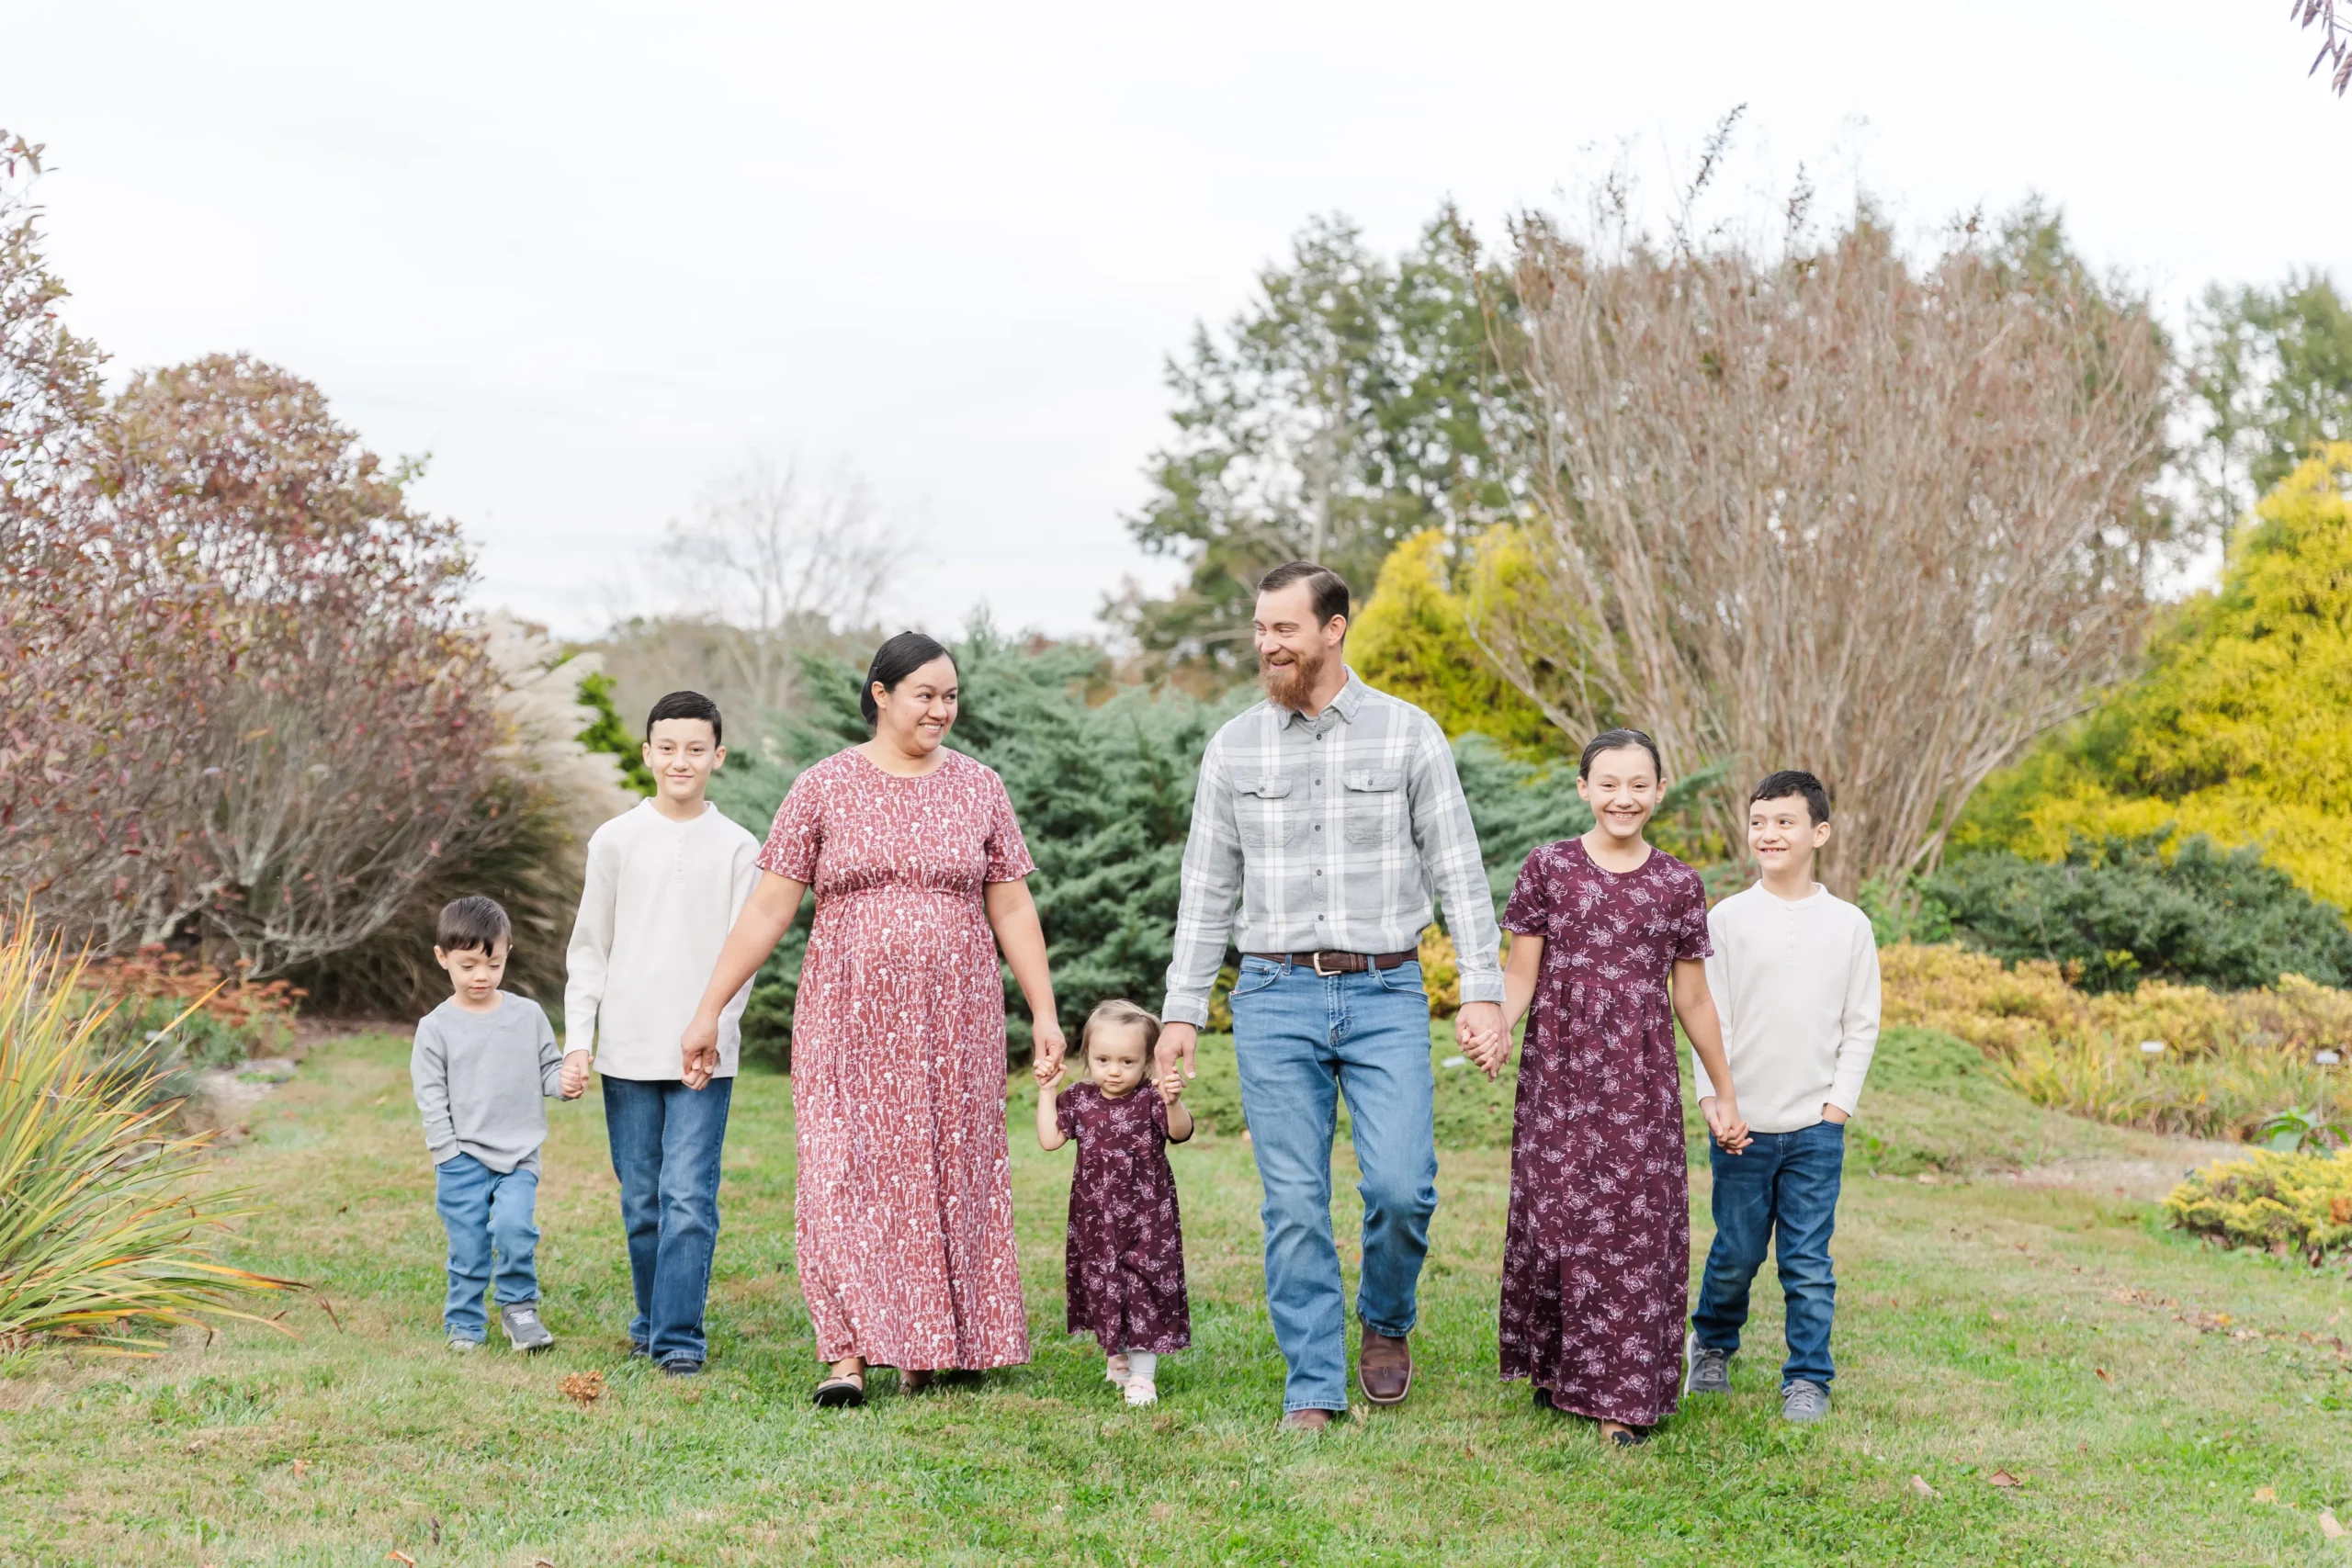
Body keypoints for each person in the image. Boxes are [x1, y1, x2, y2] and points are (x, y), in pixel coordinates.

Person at [1158, 560, 1508, 1430]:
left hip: (1386, 988)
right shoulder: (1234, 745)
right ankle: (1312, 1381)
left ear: (1334, 627)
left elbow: (1458, 869)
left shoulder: (1408, 734)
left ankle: (1386, 1321)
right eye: (1260, 628)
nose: (1267, 643)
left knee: (1401, 1186)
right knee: (1293, 1201)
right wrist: (1181, 1009)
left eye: (1284, 628)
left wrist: (1483, 989)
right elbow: (1207, 889)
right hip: (1273, 994)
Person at [681, 632, 1066, 1408]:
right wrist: (708, 1006)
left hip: (958, 1018)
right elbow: (769, 907)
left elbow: (1012, 903)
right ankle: (848, 1351)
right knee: (840, 1170)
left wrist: (1045, 1010)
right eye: (925, 693)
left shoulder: (980, 787)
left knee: (946, 1167)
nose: (942, 709)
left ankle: (932, 1344)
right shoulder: (822, 787)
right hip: (846, 1015)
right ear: (881, 693)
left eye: (951, 694)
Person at [1471, 728, 1750, 1447]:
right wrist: (1498, 1025)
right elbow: (1521, 976)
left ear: (1660, 790)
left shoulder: (1678, 883)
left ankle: (1624, 1396)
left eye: (1638, 784)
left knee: (1632, 1223)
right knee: (1555, 1215)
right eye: (1608, 783)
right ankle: (1559, 1369)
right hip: (1558, 1074)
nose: (1623, 797)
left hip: (1639, 1076)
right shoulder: (1548, 867)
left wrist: (1723, 1090)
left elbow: (1692, 999)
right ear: (1584, 789)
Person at [562, 690, 762, 1377]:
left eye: (696, 748)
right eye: (668, 747)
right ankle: (651, 1319)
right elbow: (590, 946)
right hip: (627, 1045)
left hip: (705, 1050)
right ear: (647, 753)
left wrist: (717, 1030)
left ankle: (679, 1337)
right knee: (641, 1196)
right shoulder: (615, 839)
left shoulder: (739, 846)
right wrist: (579, 1037)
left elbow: (746, 951)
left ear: (719, 756)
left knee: (687, 1195)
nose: (682, 760)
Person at [1685, 770, 1880, 1425]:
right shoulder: (1728, 919)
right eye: (1759, 821)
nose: (1769, 833)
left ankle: (1807, 1377)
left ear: (1819, 832)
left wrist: (1836, 1110)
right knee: (1736, 1250)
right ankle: (1711, 1342)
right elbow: (1708, 1014)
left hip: (1814, 1129)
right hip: (1742, 1124)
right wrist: (1718, 1100)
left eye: (1785, 821)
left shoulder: (1849, 925)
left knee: (1807, 1261)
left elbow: (1861, 1023)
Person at [411, 895, 578, 1354]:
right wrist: (447, 1151)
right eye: (468, 966)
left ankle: (519, 1309)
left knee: (514, 1229)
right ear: (442, 959)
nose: (481, 976)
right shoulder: (436, 1027)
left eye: (493, 963)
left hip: (518, 1154)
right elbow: (431, 1094)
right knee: (468, 1245)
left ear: (507, 953)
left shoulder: (527, 1017)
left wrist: (563, 1082)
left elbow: (547, 1069)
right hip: (461, 1156)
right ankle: (465, 1321)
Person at [1036, 999, 1193, 1408]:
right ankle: (1117, 1355)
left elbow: (1180, 1134)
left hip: (1148, 1214)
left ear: (1146, 1062)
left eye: (1128, 1060)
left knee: (1144, 1285)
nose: (1114, 1070)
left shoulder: (1151, 1099)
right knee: (1104, 1282)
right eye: (1103, 1059)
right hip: (1096, 1217)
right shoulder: (1080, 1100)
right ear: (1087, 1056)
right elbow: (1050, 1140)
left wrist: (1173, 1101)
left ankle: (1143, 1377)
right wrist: (1047, 1091)